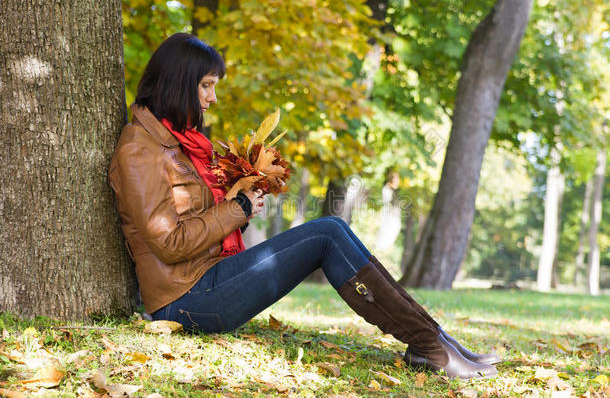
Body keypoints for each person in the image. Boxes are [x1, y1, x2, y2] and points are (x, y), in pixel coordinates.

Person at [109, 33, 500, 379]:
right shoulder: (139, 151)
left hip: (209, 278)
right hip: (184, 300)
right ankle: (429, 346)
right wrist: (236, 208)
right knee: (328, 232)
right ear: (180, 84)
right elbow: (169, 243)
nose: (212, 97)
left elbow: (199, 221)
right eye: (206, 86)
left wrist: (237, 204)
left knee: (335, 230)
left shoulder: (181, 144)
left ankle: (434, 339)